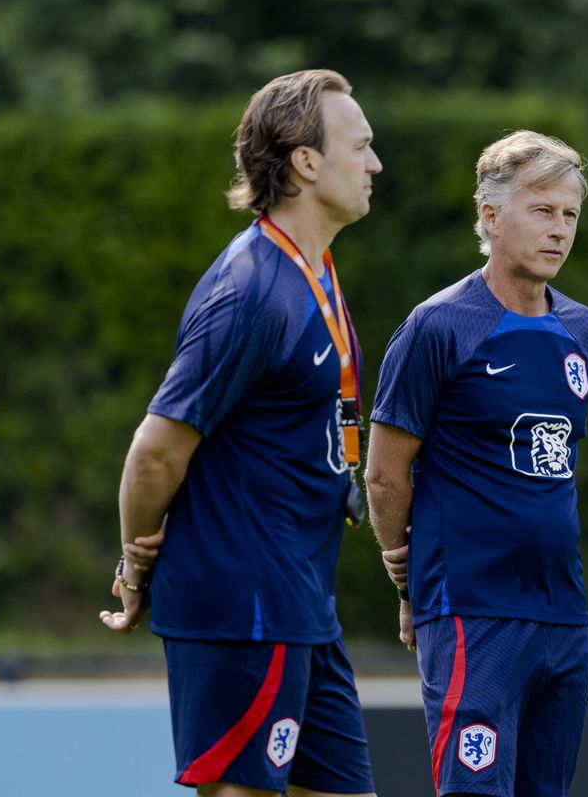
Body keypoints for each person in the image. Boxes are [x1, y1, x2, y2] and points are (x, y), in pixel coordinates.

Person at [98, 69, 382, 797]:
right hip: (244, 606)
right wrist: (136, 567)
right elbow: (157, 450)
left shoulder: (314, 272)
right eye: (361, 146)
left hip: (302, 602)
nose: (375, 164)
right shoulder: (251, 288)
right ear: (306, 162)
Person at [364, 130, 588, 797]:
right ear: (491, 216)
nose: (559, 231)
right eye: (542, 210)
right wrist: (408, 577)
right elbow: (385, 474)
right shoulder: (439, 327)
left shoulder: (583, 331)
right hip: (473, 609)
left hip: (563, 614)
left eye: (569, 215)